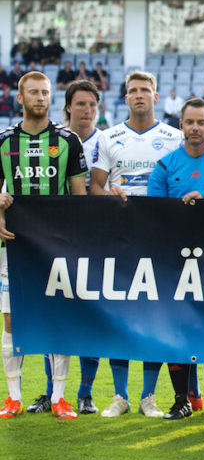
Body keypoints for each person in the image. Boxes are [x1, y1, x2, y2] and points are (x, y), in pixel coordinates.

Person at [90, 71, 183, 419]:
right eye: (133, 90)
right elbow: (95, 187)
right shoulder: (109, 137)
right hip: (121, 239)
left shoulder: (173, 138)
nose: (139, 95)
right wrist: (110, 197)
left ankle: (148, 396)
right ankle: (119, 395)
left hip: (159, 240)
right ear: (125, 97)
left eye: (145, 90)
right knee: (121, 314)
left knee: (154, 316)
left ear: (156, 96)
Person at [0, 72, 88, 421]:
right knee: (11, 321)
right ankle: (13, 396)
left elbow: (80, 199)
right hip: (14, 247)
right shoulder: (3, 141)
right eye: (33, 92)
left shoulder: (67, 141)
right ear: (19, 98)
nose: (40, 97)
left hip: (56, 247)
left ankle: (59, 397)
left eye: (45, 92)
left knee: (57, 318)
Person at [148, 99, 204, 422]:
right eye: (190, 122)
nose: (196, 128)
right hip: (175, 261)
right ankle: (181, 400)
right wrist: (179, 206)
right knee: (177, 330)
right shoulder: (165, 165)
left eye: (202, 122)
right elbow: (154, 216)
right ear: (181, 125)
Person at [62, 80, 105, 414]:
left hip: (99, 239)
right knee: (57, 315)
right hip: (59, 238)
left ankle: (86, 392)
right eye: (80, 104)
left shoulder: (107, 141)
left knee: (93, 315)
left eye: (92, 104)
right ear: (68, 107)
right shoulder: (57, 141)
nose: (87, 110)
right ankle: (51, 391)